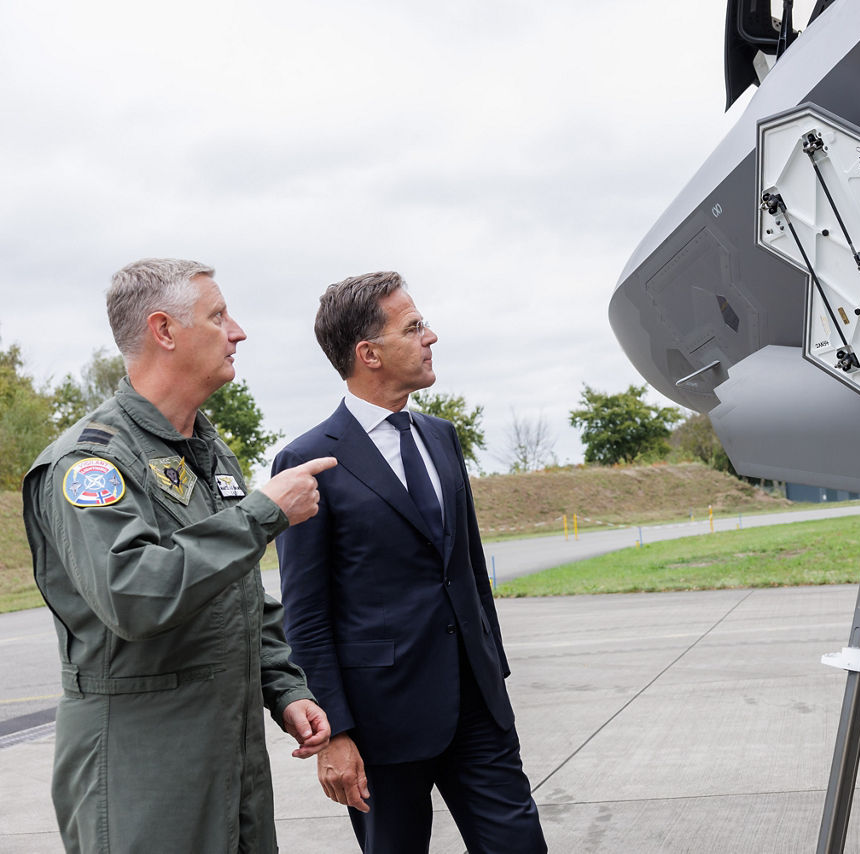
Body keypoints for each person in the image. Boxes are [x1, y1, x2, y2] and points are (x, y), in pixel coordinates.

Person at [22, 258, 338, 853]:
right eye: (218, 316)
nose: (238, 332)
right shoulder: (91, 463)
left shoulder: (207, 450)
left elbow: (238, 595)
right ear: (164, 331)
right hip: (142, 771)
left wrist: (285, 687)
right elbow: (133, 594)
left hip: (231, 763)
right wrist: (262, 514)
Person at [272, 271, 546, 853]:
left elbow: (468, 568)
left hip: (477, 707)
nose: (431, 337)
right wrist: (335, 733)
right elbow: (306, 613)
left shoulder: (441, 437)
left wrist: (493, 672)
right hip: (380, 724)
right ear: (368, 353)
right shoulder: (308, 460)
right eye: (414, 327)